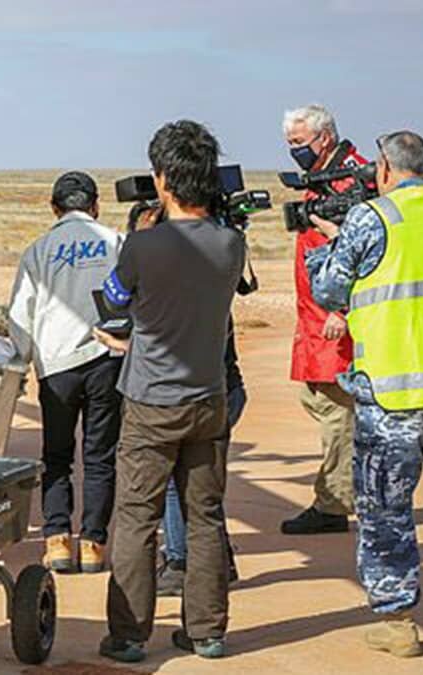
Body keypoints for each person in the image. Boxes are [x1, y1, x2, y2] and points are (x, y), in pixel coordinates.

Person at [94, 120, 244, 662]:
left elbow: (114, 299)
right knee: (204, 514)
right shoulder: (233, 243)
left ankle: (129, 634)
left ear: (162, 179)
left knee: (137, 515)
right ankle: (207, 631)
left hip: (151, 400)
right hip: (209, 399)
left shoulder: (141, 246)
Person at [307, 130, 423, 658]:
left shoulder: (373, 219)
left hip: (392, 398)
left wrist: (327, 242)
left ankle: (398, 624)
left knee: (387, 513)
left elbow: (329, 290)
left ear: (386, 171)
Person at [8, 171, 122, 574]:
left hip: (56, 367)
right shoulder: (115, 242)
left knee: (56, 455)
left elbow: (22, 313)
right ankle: (93, 542)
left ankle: (57, 540)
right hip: (107, 359)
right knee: (100, 455)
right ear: (95, 205)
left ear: (55, 209)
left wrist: (17, 365)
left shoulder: (38, 250)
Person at [280, 104, 369, 535]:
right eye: (290, 144)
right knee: (318, 399)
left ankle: (334, 502)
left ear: (325, 137)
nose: (294, 151)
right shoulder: (327, 175)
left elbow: (362, 248)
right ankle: (351, 485)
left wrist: (343, 309)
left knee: (337, 408)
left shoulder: (349, 182)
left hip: (333, 319)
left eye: (299, 142)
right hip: (316, 318)